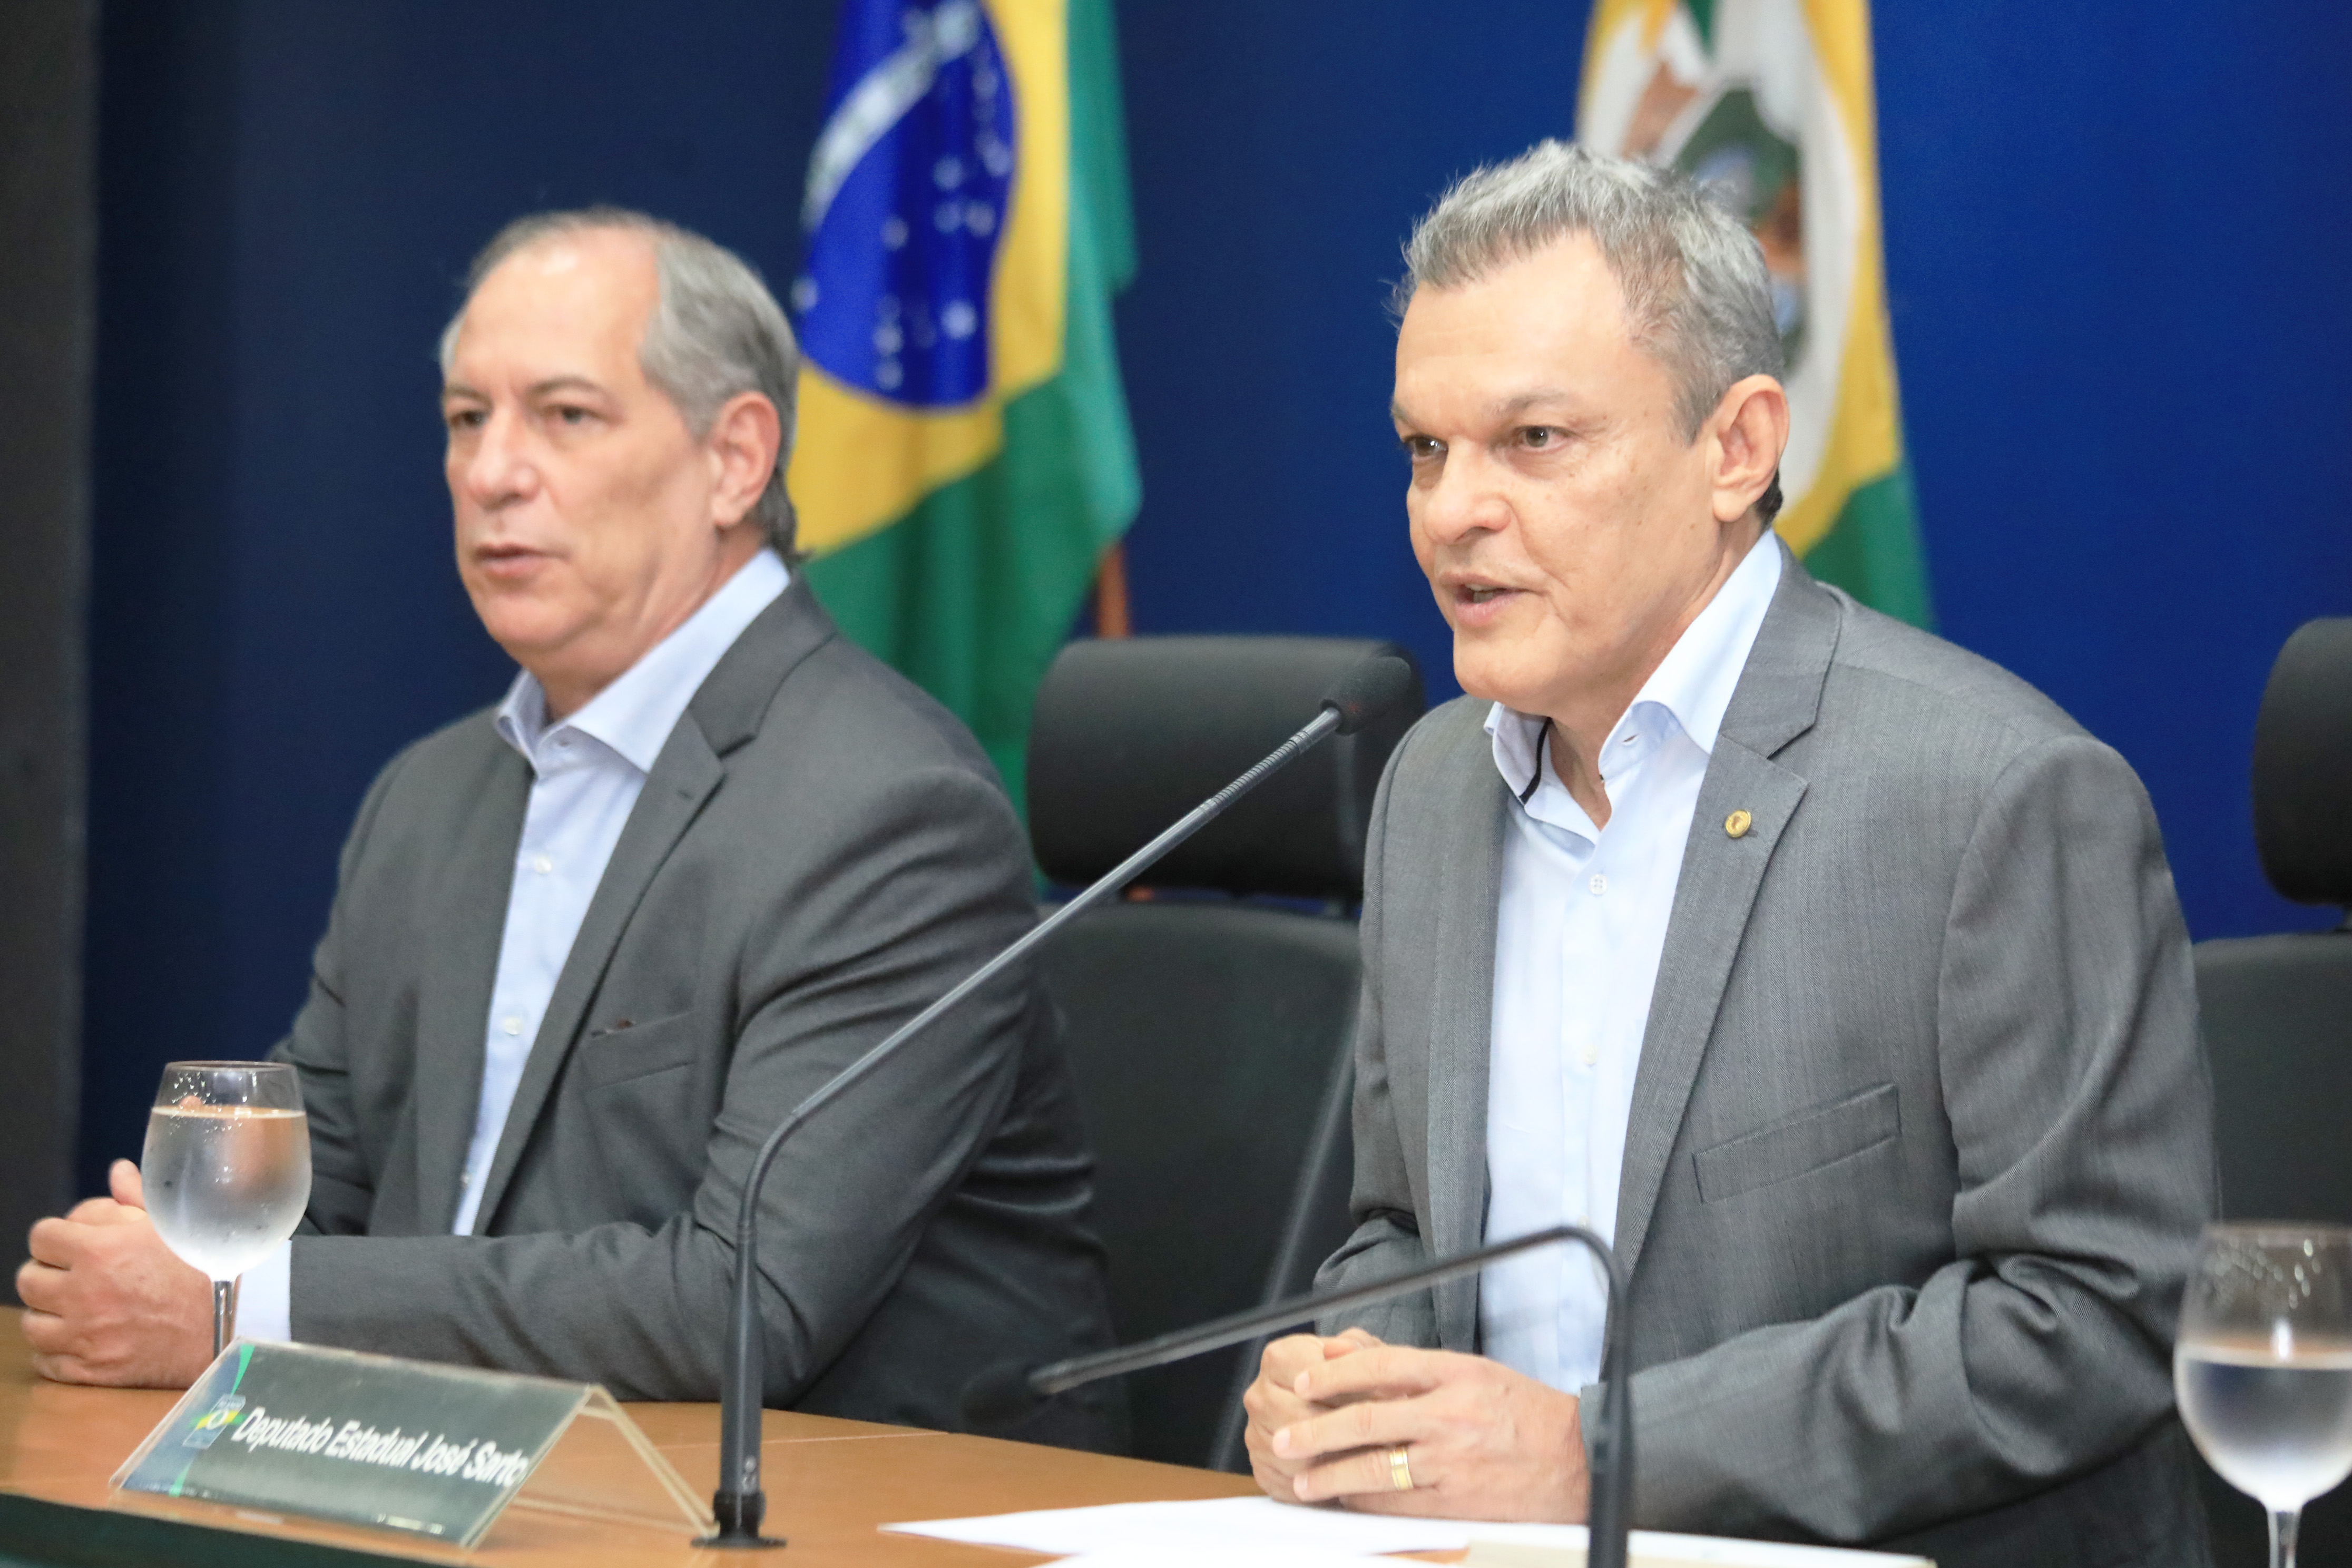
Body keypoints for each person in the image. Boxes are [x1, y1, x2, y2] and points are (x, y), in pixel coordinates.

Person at [1242, 143, 2215, 1565]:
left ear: (1737, 449)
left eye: (1534, 439)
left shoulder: (1994, 796)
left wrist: (1596, 1458)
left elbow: (2094, 1317)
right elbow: (1409, 1227)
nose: (1451, 511)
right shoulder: (1435, 786)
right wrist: (1349, 1380)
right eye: (1423, 449)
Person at [18, 209, 1121, 1451]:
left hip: (848, 1506)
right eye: (465, 419)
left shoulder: (887, 810)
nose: (492, 472)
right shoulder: (428, 799)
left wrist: (234, 1308)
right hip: (468, 1477)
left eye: (566, 416)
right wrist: (168, 1268)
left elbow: (744, 1300)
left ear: (735, 460)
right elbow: (317, 1197)